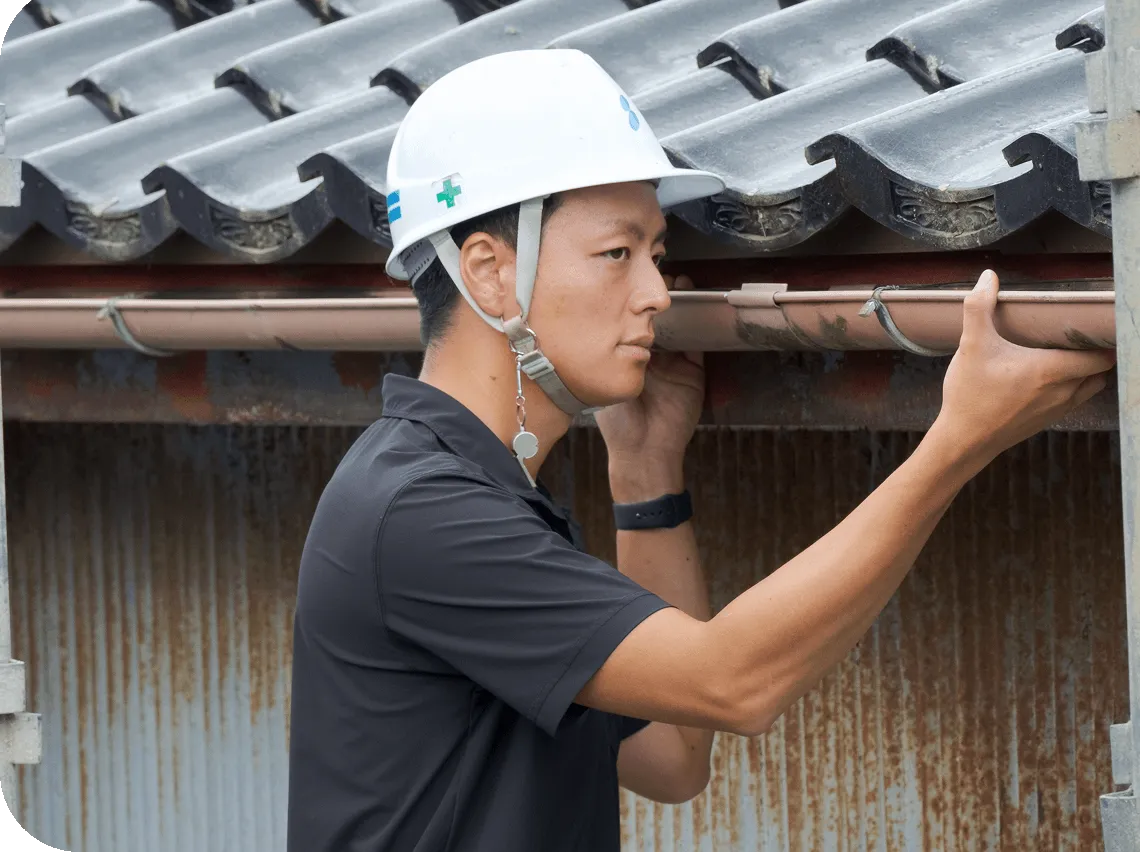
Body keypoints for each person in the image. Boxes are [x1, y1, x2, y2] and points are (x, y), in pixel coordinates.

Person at [285, 49, 1115, 852]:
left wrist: (646, 481)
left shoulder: (475, 492)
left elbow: (670, 754)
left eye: (657, 255)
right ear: (490, 273)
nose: (656, 294)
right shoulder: (423, 510)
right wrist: (958, 443)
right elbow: (731, 684)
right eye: (617, 254)